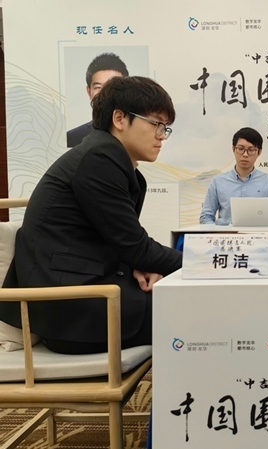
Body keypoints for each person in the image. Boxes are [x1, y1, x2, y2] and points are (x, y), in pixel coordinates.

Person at [0, 76, 182, 354]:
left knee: (182, 301)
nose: (161, 136)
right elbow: (136, 247)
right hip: (72, 308)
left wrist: (141, 264)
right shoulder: (99, 160)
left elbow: (121, 242)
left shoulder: (105, 158)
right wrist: (202, 263)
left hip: (84, 295)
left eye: (165, 127)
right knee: (187, 307)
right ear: (119, 118)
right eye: (155, 123)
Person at [200, 127, 268, 225]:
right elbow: (206, 216)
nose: (245, 154)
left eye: (251, 150)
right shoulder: (218, 181)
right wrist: (217, 231)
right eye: (240, 149)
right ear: (233, 149)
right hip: (226, 234)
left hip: (259, 233)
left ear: (259, 152)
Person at [66, 52, 129, 147]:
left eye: (113, 87)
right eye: (98, 87)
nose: (105, 94)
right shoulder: (72, 138)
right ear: (89, 92)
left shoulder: (139, 135)